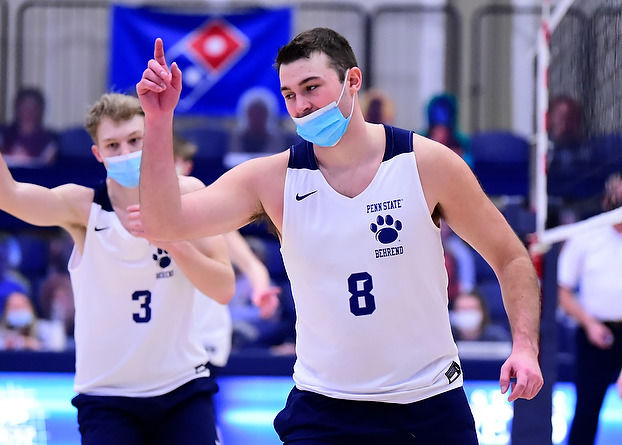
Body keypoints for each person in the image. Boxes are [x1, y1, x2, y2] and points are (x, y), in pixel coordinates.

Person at [135, 29, 543, 443]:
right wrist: (158, 119)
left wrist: (525, 345)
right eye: (289, 95)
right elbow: (162, 224)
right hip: (324, 409)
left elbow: (510, 257)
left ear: (352, 80)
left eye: (311, 87)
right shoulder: (272, 179)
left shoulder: (426, 163)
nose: (302, 105)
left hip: (427, 404)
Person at [0, 71, 234, 445]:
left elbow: (223, 288)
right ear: (98, 153)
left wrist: (174, 242)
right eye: (113, 145)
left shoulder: (188, 195)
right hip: (108, 396)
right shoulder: (83, 207)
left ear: (153, 138)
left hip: (183, 388)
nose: (125, 153)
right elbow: (5, 195)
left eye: (135, 140)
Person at [173, 133, 281, 367]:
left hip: (203, 338)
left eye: (172, 163)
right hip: (161, 341)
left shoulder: (207, 215)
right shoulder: (131, 214)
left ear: (186, 165)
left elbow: (253, 266)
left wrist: (261, 291)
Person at [557, 173, 622, 445]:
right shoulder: (587, 234)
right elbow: (563, 292)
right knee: (586, 410)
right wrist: (590, 323)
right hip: (594, 333)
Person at [0, 290, 65, 351]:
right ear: (5, 312)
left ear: (31, 309)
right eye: (14, 308)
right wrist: (11, 344)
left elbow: (57, 347)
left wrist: (36, 345)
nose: (18, 311)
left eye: (21, 306)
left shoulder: (46, 329)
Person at [0, 87, 58, 167]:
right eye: (25, 107)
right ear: (17, 108)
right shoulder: (3, 134)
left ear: (40, 110)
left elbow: (48, 166)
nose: (29, 112)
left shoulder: (49, 140)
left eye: (33, 108)